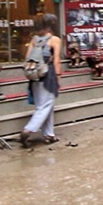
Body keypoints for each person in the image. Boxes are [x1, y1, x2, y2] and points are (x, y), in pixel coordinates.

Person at [19, 14, 63, 147]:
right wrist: (58, 77)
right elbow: (56, 61)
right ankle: (28, 129)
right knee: (46, 105)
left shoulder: (34, 39)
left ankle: (48, 135)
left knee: (42, 105)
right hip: (48, 74)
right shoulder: (55, 40)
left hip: (35, 76)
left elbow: (27, 58)